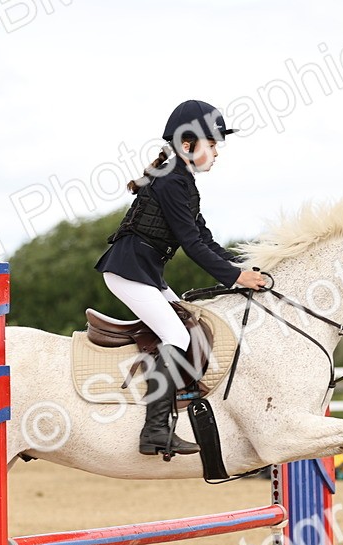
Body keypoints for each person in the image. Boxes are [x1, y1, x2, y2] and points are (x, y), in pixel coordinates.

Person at [95, 99, 268, 457]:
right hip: (129, 272)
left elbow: (204, 238)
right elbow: (190, 244)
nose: (217, 152)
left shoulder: (183, 181)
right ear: (188, 144)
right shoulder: (172, 180)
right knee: (175, 333)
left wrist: (245, 268)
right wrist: (235, 277)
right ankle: (154, 431)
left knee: (189, 325)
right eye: (213, 143)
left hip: (146, 273)